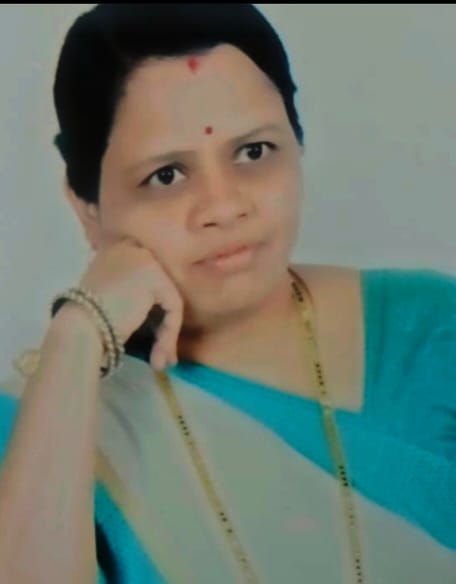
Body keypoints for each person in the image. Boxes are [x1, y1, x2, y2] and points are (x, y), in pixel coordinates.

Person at [0, 4, 455, 583]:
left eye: (254, 151)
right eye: (166, 175)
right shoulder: (41, 424)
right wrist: (77, 333)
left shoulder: (432, 333)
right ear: (86, 205)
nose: (224, 206)